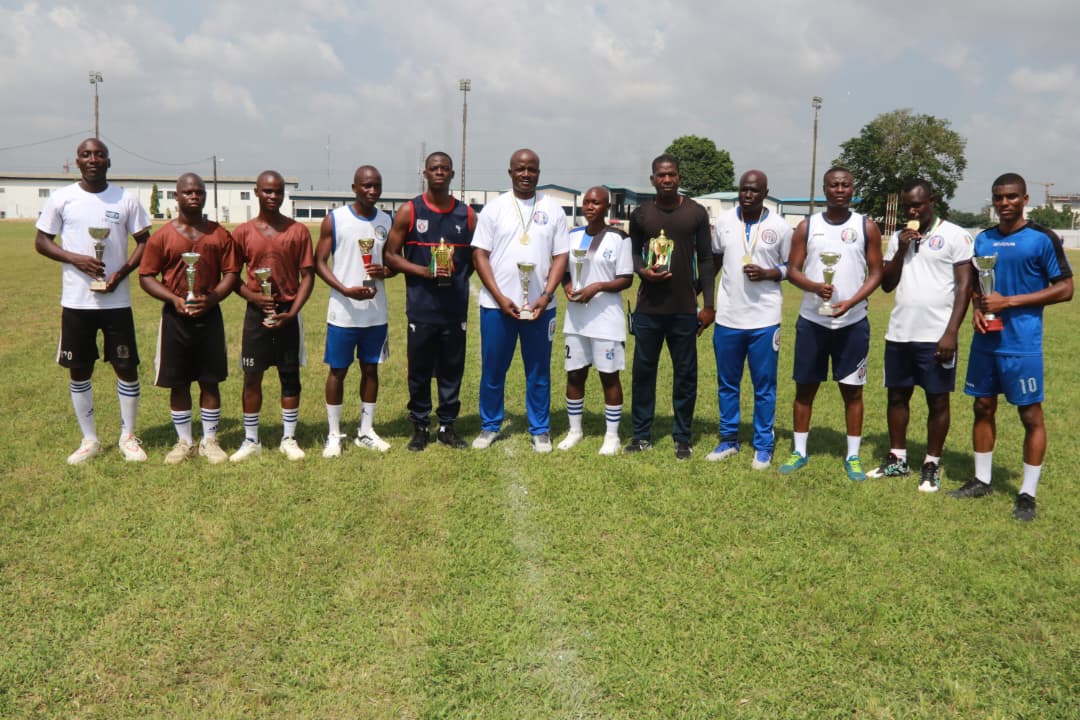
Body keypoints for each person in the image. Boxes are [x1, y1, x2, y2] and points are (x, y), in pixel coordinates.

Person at [949, 173, 1073, 521]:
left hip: (1023, 343)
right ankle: (982, 479)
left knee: (1030, 415)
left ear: (1025, 199)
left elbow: (1065, 289)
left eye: (1011, 197)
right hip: (986, 341)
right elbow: (977, 284)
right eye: (999, 197)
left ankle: (1027, 493)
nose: (1004, 203)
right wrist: (978, 307)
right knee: (982, 407)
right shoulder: (983, 240)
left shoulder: (1041, 239)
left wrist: (1011, 302)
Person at [34, 138, 151, 464]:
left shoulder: (125, 199)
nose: (93, 159)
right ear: (77, 161)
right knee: (79, 368)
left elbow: (144, 241)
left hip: (116, 302)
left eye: (99, 154)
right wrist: (75, 258)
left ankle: (128, 436)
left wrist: (121, 274)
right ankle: (89, 439)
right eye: (87, 154)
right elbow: (42, 241)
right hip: (76, 302)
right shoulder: (62, 199)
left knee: (126, 367)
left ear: (108, 162)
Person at [866, 179, 973, 491]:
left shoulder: (955, 235)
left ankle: (931, 464)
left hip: (937, 334)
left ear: (932, 201)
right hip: (900, 331)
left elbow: (965, 287)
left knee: (937, 400)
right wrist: (900, 248)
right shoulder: (901, 237)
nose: (912, 210)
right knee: (897, 395)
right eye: (908, 206)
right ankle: (897, 458)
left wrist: (951, 333)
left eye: (918, 204)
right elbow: (887, 284)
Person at [780, 166, 883, 480]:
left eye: (845, 185)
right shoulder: (806, 227)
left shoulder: (866, 227)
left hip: (853, 322)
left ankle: (852, 456)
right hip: (813, 320)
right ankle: (799, 451)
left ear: (853, 189)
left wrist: (851, 301)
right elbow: (792, 269)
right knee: (805, 389)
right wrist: (814, 287)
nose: (840, 190)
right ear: (824, 190)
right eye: (833, 185)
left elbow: (877, 272)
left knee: (852, 392)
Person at [470, 148, 570, 452]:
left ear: (538, 173)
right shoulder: (494, 208)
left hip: (540, 308)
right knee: (493, 369)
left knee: (538, 370)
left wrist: (546, 295)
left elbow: (560, 255)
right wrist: (500, 298)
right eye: (520, 169)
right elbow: (479, 254)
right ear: (510, 172)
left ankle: (540, 429)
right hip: (497, 307)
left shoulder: (553, 209)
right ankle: (489, 425)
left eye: (532, 169)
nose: (526, 174)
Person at [138, 173, 241, 464]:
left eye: (199, 192)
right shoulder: (163, 237)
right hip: (175, 317)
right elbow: (146, 276)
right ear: (177, 196)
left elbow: (232, 273)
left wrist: (213, 298)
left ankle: (210, 440)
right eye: (188, 192)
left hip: (209, 316)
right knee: (179, 382)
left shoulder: (219, 234)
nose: (194, 196)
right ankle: (184, 441)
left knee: (210, 381)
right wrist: (174, 299)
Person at [384, 152, 475, 452]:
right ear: (425, 172)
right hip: (421, 306)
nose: (439, 172)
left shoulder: (467, 215)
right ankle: (420, 426)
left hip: (454, 306)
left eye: (444, 169)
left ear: (452, 175)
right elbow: (390, 256)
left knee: (452, 369)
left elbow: (475, 258)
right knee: (419, 370)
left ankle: (447, 425)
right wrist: (424, 271)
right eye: (434, 168)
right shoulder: (410, 211)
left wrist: (457, 278)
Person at [626, 154, 715, 459]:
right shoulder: (641, 215)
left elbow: (705, 259)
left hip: (684, 309)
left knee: (686, 375)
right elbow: (635, 254)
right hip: (649, 308)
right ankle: (640, 435)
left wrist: (709, 305)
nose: (666, 180)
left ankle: (683, 437)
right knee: (643, 374)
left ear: (679, 178)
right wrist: (642, 271)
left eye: (672, 175)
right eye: (661, 175)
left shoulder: (696, 213)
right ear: (652, 179)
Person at [707, 169, 792, 469]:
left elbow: (792, 267)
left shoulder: (780, 227)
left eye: (754, 190)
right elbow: (715, 259)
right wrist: (703, 296)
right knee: (727, 383)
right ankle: (728, 440)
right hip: (728, 316)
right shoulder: (726, 222)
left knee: (763, 386)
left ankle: (763, 445)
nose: (747, 194)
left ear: (765, 192)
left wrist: (770, 273)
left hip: (764, 319)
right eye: (743, 189)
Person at [230, 170, 315, 461]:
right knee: (252, 376)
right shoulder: (242, 232)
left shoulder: (298, 231)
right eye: (267, 191)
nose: (273, 196)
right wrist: (253, 296)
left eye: (278, 191)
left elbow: (308, 276)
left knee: (289, 375)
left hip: (288, 315)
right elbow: (231, 276)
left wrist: (292, 312)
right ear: (256, 192)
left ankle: (288, 438)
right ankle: (251, 439)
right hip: (256, 314)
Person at [314, 165, 394, 457]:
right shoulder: (335, 219)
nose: (372, 191)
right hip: (343, 310)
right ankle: (334, 434)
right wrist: (344, 289)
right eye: (366, 186)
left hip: (375, 312)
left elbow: (394, 264)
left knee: (370, 369)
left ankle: (366, 430)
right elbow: (319, 261)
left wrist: (384, 271)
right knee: (338, 371)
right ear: (354, 187)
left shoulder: (387, 220)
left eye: (377, 186)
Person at [556, 186, 633, 456]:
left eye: (596, 203)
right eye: (586, 202)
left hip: (606, 319)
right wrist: (567, 286)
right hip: (576, 319)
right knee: (575, 373)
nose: (590, 207)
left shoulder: (619, 238)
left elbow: (626, 278)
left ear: (607, 208)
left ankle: (611, 436)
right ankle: (574, 430)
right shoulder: (572, 235)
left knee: (608, 376)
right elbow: (563, 270)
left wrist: (596, 287)